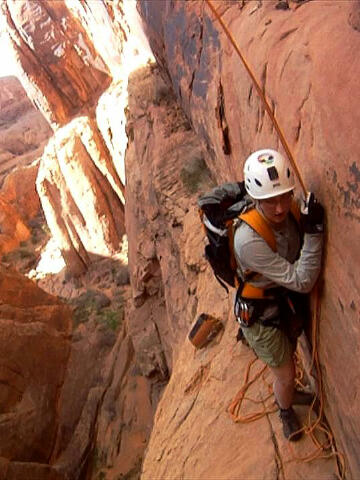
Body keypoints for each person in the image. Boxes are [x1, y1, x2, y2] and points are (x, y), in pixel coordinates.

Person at [234, 148, 324, 441]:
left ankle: (288, 395)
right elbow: (302, 280)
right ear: (255, 200)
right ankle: (285, 409)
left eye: (285, 196)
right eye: (270, 201)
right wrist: (314, 234)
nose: (280, 208)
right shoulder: (248, 241)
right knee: (285, 374)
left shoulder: (290, 208)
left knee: (290, 356)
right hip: (260, 315)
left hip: (278, 297)